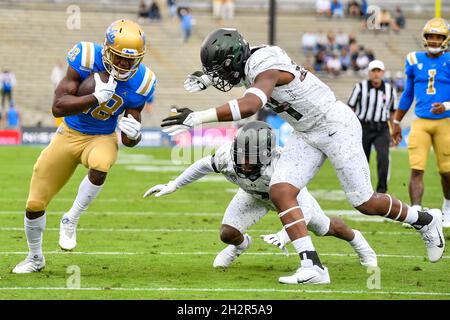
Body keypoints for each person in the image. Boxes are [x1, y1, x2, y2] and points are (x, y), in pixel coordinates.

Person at [163, 28, 444, 284]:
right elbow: (247, 80)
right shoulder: (253, 62)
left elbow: (250, 104)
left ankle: (424, 220)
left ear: (234, 59)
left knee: (365, 202)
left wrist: (198, 117)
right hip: (306, 131)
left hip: (334, 125)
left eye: (221, 71)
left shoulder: (265, 64)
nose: (221, 77)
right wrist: (209, 80)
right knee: (280, 190)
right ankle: (313, 266)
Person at [12, 19, 156, 273]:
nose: (124, 64)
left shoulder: (143, 81)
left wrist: (135, 134)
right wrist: (93, 98)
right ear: (107, 49)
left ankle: (72, 218)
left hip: (102, 137)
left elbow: (128, 140)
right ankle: (35, 258)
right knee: (35, 203)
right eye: (119, 57)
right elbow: (57, 106)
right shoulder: (87, 56)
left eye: (130, 59)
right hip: (68, 134)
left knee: (101, 164)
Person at [145, 121, 377, 273]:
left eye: (251, 157)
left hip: (291, 199)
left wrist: (284, 235)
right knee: (228, 234)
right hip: (253, 195)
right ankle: (240, 246)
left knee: (325, 228)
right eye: (242, 155)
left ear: (266, 154)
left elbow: (302, 213)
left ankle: (358, 241)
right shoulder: (228, 156)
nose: (244, 162)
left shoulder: (282, 167)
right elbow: (202, 165)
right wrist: (174, 184)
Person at [391, 17, 450, 228]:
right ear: (425, 38)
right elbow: (407, 93)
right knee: (416, 169)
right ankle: (416, 211)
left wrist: (446, 105)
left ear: (445, 39)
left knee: (447, 171)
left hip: (445, 122)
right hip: (421, 121)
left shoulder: (449, 60)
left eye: (438, 37)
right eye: (431, 36)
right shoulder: (414, 59)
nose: (434, 41)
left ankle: (448, 207)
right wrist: (397, 120)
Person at [348, 60, 397, 193]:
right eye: (373, 71)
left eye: (378, 71)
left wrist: (394, 131)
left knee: (383, 158)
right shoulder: (360, 87)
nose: (376, 74)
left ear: (382, 73)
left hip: (382, 128)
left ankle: (382, 191)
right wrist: (350, 128)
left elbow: (393, 112)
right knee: (361, 159)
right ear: (369, 73)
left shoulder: (390, 90)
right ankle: (361, 190)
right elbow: (350, 108)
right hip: (363, 126)